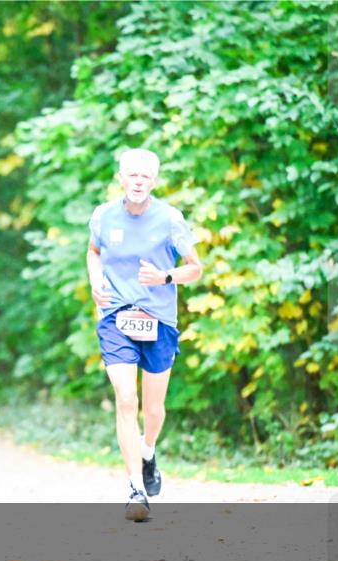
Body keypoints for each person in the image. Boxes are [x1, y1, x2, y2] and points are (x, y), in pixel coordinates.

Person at [86, 148, 203, 521]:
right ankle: (136, 489)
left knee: (153, 409)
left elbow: (195, 269)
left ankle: (148, 449)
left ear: (154, 180)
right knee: (125, 399)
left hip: (159, 321)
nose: (138, 182)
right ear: (121, 177)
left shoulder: (169, 218)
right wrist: (95, 283)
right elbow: (93, 251)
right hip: (115, 317)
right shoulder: (103, 216)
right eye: (131, 175)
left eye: (145, 177)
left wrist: (165, 277)